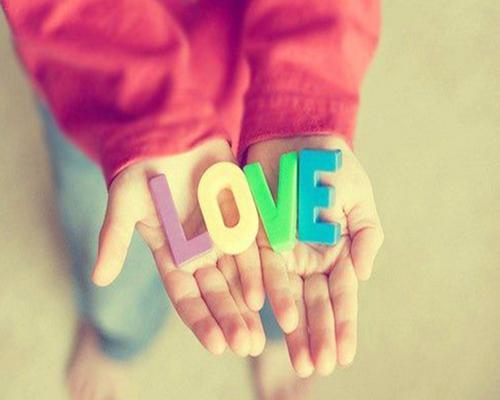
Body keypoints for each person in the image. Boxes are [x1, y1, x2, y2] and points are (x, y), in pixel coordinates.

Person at [2, 1, 384, 399]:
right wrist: (144, 110)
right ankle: (118, 339)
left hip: (259, 85)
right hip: (99, 95)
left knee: (285, 260)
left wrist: (306, 92)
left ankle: (280, 332)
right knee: (116, 266)